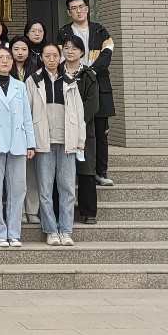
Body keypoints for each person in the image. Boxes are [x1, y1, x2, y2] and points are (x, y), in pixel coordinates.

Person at [0, 45, 36, 248]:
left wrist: (31, 144)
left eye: (8, 58)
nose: (5, 61)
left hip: (18, 142)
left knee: (18, 189)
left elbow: (27, 117)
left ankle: (14, 232)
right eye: (0, 57)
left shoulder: (20, 86)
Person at [26, 41, 85, 247]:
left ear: (60, 57)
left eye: (54, 56)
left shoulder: (70, 81)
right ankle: (51, 230)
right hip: (43, 141)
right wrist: (29, 142)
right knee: (45, 188)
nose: (51, 59)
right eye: (47, 56)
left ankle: (66, 230)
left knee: (67, 188)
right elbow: (27, 112)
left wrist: (80, 141)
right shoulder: (33, 80)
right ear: (41, 58)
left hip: (67, 141)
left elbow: (79, 113)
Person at [57, 0, 116, 188]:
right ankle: (75, 171)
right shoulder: (64, 32)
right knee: (73, 127)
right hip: (73, 84)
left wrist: (91, 71)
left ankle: (101, 171)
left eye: (81, 7)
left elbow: (108, 52)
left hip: (99, 84)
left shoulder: (100, 31)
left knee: (100, 131)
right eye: (74, 8)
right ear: (69, 12)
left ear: (87, 8)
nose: (78, 11)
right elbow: (60, 56)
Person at [59, 33, 101, 226]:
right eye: (66, 48)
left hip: (84, 130)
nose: (70, 51)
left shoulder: (88, 75)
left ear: (82, 52)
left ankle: (88, 212)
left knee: (85, 170)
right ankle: (59, 211)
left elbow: (93, 104)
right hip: (61, 129)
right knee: (60, 172)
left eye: (74, 48)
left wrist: (76, 122)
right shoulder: (56, 72)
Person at [8, 36, 41, 225]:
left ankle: (32, 210)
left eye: (24, 49)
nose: (20, 53)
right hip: (11, 127)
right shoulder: (6, 70)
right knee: (14, 174)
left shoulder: (36, 72)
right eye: (16, 49)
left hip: (31, 126)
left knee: (31, 173)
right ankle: (18, 210)